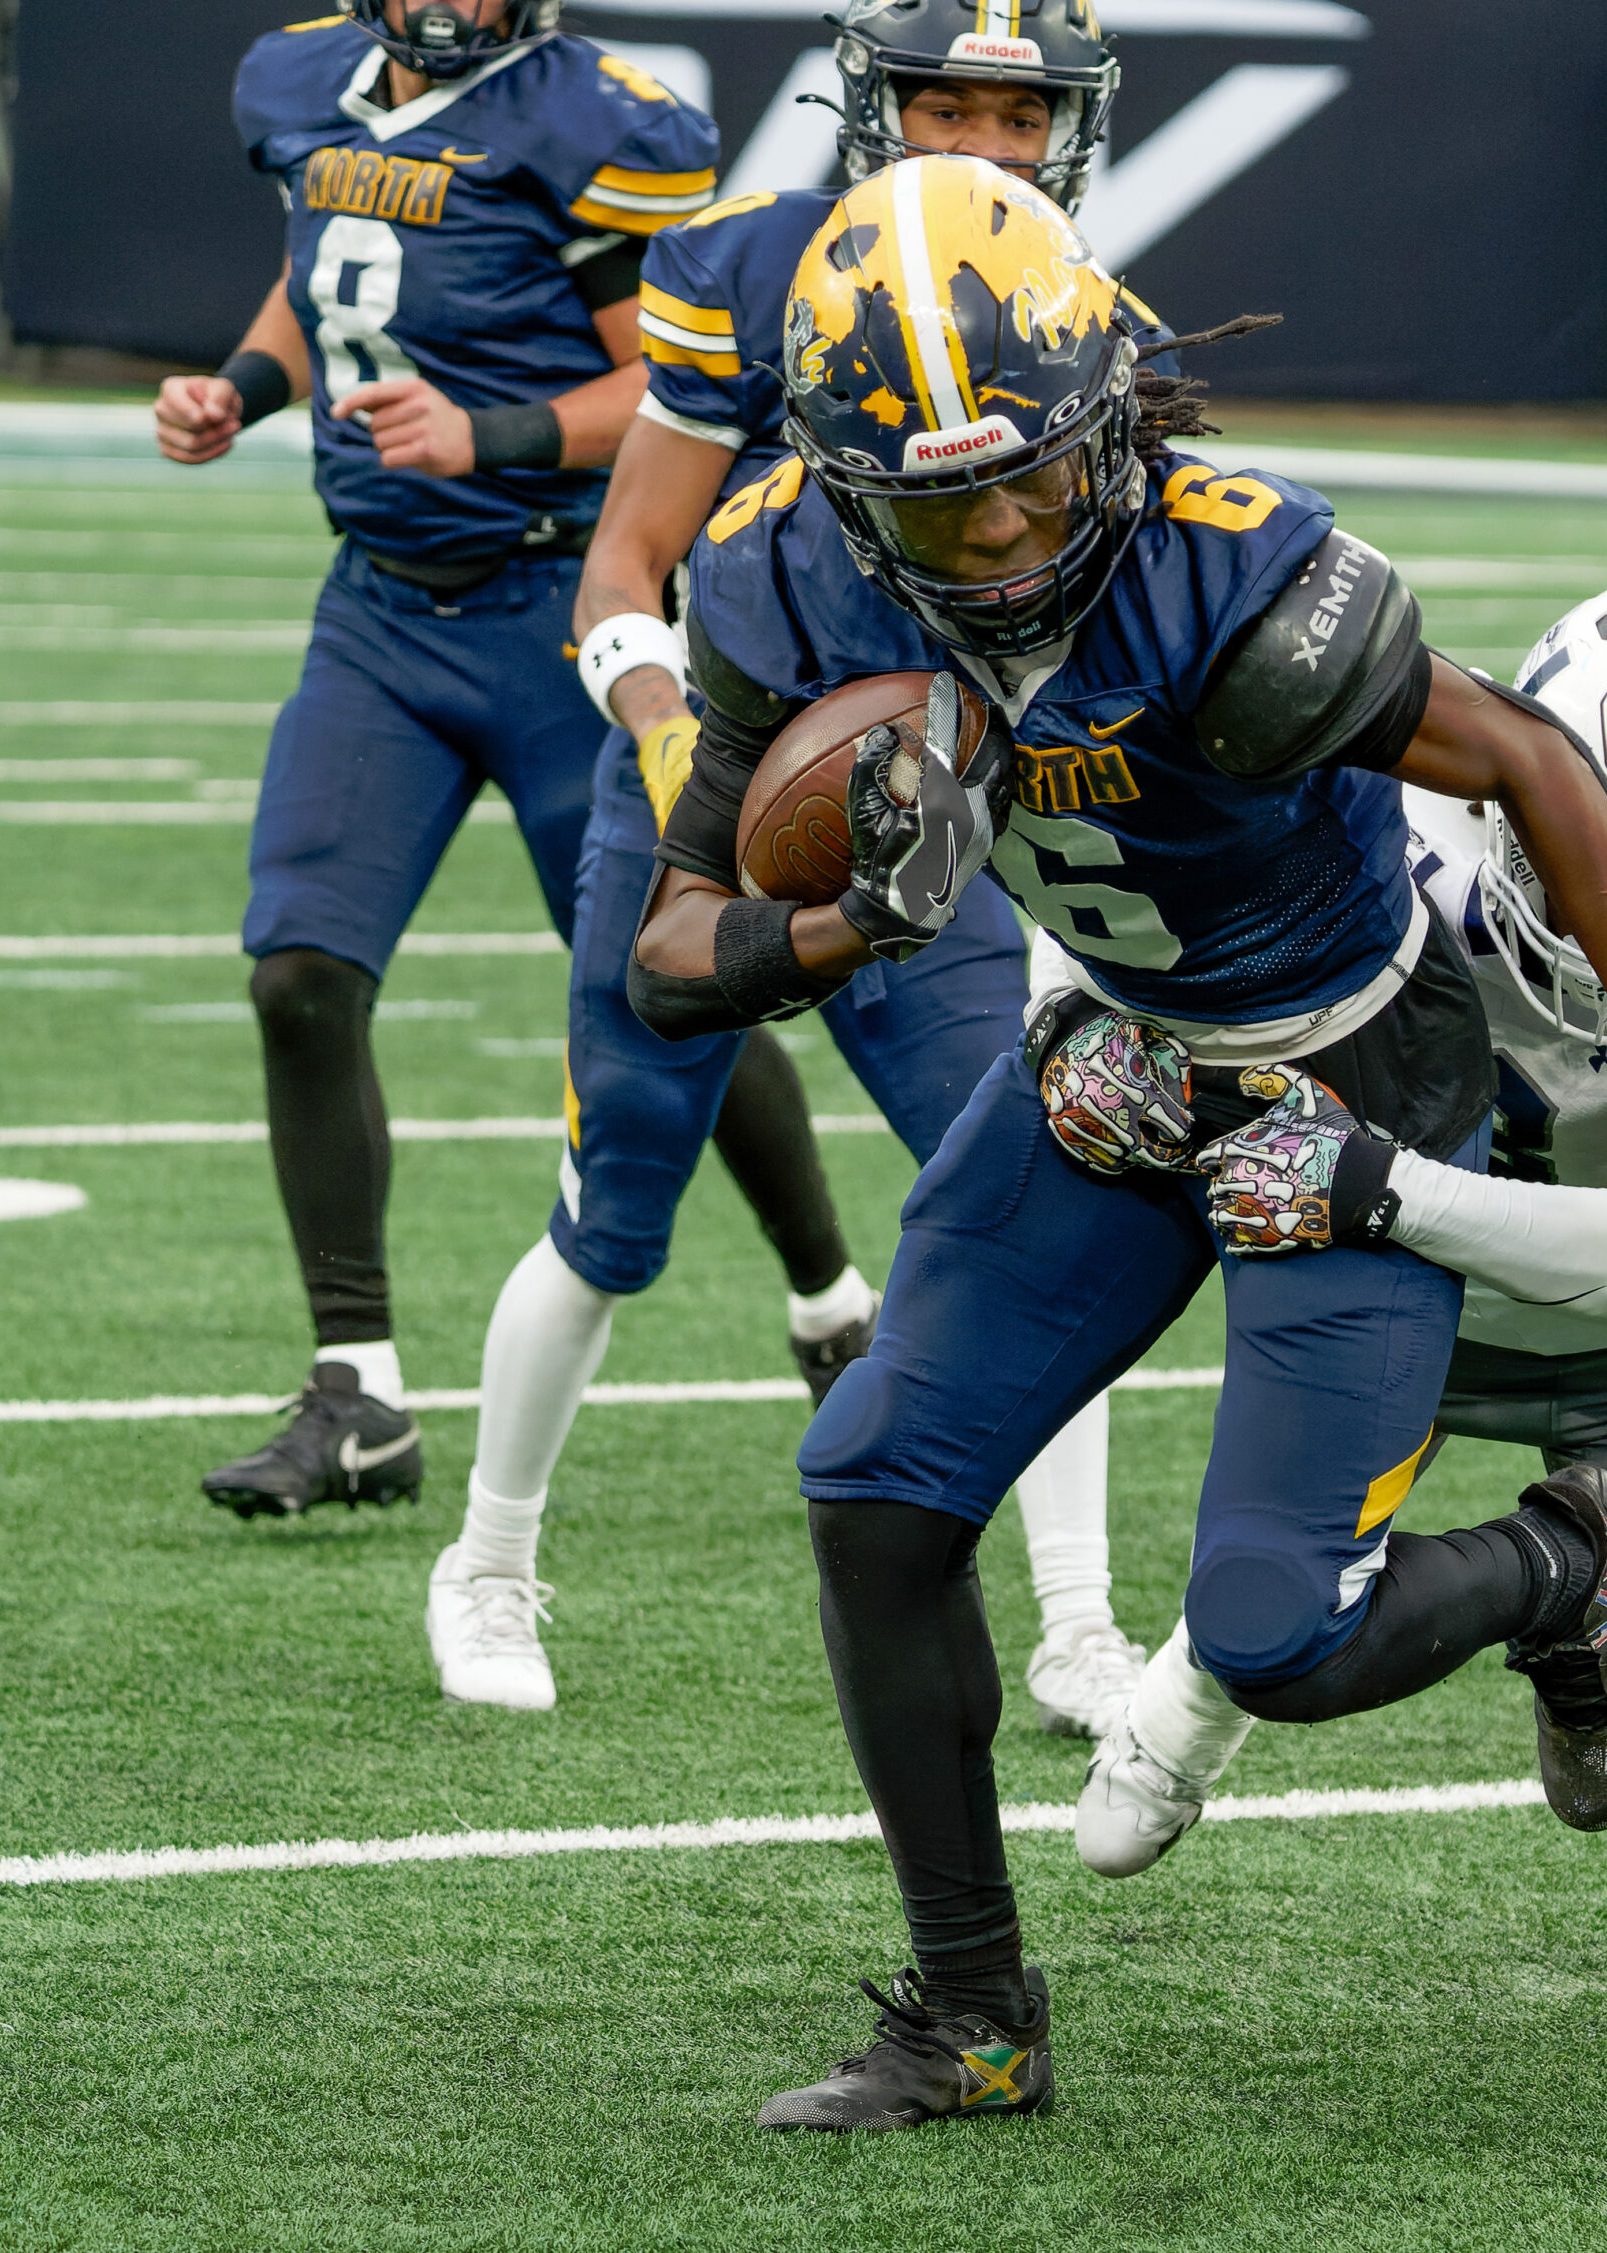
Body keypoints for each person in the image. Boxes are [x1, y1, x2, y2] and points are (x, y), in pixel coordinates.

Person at [627, 157, 1607, 2130]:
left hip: (1347, 1072)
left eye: (1026, 473)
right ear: (845, 485)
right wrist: (854, 922)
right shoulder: (779, 576)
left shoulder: (1228, 570)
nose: (999, 530)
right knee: (872, 1490)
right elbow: (673, 950)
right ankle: (972, 2014)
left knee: (1275, 1629)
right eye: (940, 498)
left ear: (1100, 412)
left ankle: (1555, 1560)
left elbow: (1524, 752)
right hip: (1107, 1066)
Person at [431, 0, 1161, 1728]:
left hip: (952, 811)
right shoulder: (751, 269)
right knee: (614, 1215)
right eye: (945, 103)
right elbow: (625, 573)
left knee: (1045, 1191)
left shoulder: (1087, 314)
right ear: (872, 105)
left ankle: (1077, 1617)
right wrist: (697, 757)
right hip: (718, 786)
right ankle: (488, 1558)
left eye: (1016, 111)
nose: (983, 143)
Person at [1076, 577, 1607, 1880]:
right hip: (1392, 1315)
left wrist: (1373, 1182)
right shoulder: (1390, 842)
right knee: (1138, 1800)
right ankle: (1199, 1692)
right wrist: (1074, 1022)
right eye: (1587, 856)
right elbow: (1118, 857)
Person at [156, 0, 720, 1518]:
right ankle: (359, 1395)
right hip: (382, 614)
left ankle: (825, 1297)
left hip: (561, 606)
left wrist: (492, 433)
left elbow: (677, 391)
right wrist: (243, 387)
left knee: (671, 981)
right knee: (300, 973)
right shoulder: (301, 79)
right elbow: (317, 275)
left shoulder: (595, 121)